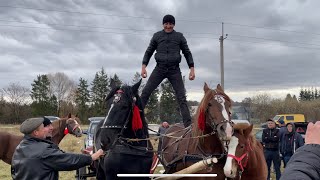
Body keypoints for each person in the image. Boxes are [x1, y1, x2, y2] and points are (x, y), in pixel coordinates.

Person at [141, 14, 195, 128]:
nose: (168, 26)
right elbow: (149, 51)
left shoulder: (179, 37)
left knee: (181, 97)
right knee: (145, 92)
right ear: (163, 24)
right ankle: (136, 120)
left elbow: (187, 52)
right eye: (166, 23)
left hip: (174, 70)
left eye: (170, 24)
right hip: (159, 68)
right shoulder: (157, 36)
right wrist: (144, 66)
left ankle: (188, 126)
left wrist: (192, 69)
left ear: (173, 25)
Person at [11, 117, 104, 180]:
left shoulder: (20, 147)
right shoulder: (43, 151)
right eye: (46, 126)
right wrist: (92, 157)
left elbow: (56, 157)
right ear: (35, 132)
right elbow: (67, 160)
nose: (51, 128)